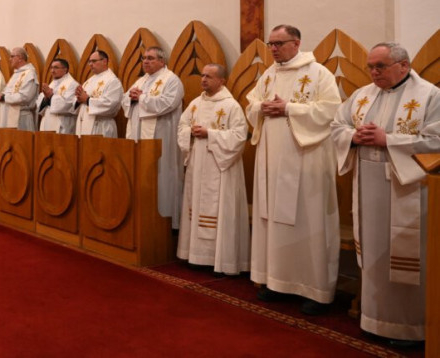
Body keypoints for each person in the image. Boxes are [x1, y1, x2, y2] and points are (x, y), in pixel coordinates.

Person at [331, 43, 439, 346]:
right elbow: (336, 125)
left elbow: (437, 140)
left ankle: (409, 328)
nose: (374, 72)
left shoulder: (430, 95)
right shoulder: (363, 95)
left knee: (404, 258)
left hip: (408, 188)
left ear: (403, 65)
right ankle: (374, 319)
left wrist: (388, 139)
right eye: (370, 66)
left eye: (380, 66)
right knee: (375, 254)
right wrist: (353, 136)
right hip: (368, 186)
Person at [246, 24, 341, 315]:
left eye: (279, 43)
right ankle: (276, 280)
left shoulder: (319, 73)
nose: (273, 49)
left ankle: (313, 289)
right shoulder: (269, 74)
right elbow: (251, 104)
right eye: (270, 44)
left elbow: (331, 111)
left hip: (305, 158)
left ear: (296, 43)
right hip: (271, 160)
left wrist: (289, 108)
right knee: (273, 219)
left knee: (308, 220)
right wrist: (261, 108)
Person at [176, 64, 249, 275]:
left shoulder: (231, 106)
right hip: (198, 164)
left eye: (209, 76)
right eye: (202, 76)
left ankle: (221, 260)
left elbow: (239, 136)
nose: (203, 80)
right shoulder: (195, 103)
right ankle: (196, 255)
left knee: (218, 207)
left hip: (219, 166)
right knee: (196, 204)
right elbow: (181, 127)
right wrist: (190, 132)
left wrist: (210, 134)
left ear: (221, 81)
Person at [122, 46, 184, 228]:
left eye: (150, 58)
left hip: (162, 136)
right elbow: (125, 101)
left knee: (162, 174)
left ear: (162, 61)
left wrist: (141, 98)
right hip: (139, 135)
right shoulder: (141, 80)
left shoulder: (172, 80)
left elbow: (168, 103)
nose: (146, 61)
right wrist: (131, 98)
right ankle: (141, 217)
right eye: (144, 58)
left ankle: (165, 221)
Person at [74, 50, 123, 138]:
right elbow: (82, 101)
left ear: (104, 61)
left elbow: (110, 105)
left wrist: (87, 100)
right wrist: (78, 100)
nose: (90, 64)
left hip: (101, 127)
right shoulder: (88, 81)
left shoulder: (113, 81)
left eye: (94, 61)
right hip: (84, 124)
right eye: (89, 61)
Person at [0, 47, 38, 130]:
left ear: (20, 58)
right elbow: (8, 92)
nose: (9, 59)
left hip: (21, 117)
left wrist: (4, 97)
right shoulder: (17, 73)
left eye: (12, 56)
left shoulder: (30, 74)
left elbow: (25, 97)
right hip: (8, 114)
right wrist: (1, 96)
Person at [36, 58, 79, 134]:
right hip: (47, 121)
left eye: (56, 68)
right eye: (51, 68)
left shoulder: (73, 85)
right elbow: (39, 104)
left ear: (65, 70)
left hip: (62, 124)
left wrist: (51, 96)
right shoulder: (52, 84)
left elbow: (68, 104)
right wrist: (46, 99)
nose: (52, 71)